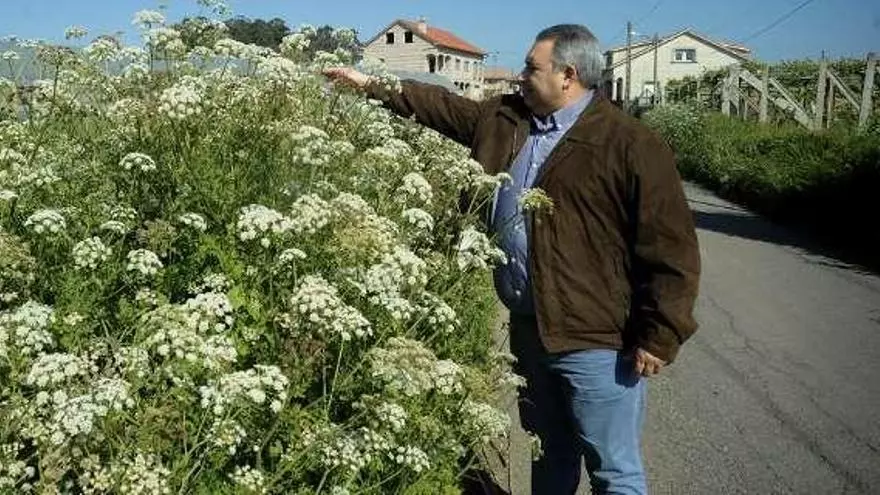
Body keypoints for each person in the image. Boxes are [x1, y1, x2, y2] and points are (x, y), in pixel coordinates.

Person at [324, 24, 700, 495]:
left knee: (613, 469)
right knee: (548, 450)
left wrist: (660, 334)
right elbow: (441, 106)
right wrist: (370, 84)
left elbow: (670, 247)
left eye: (531, 67)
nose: (520, 76)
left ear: (568, 75)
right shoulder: (507, 120)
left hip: (596, 338)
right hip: (528, 326)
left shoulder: (629, 143)